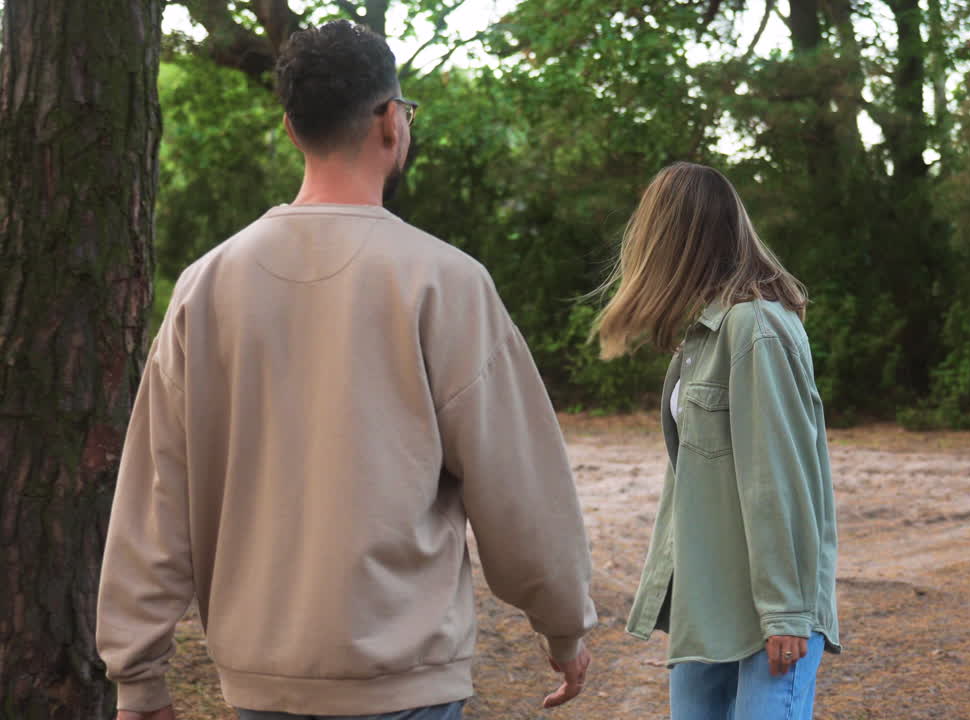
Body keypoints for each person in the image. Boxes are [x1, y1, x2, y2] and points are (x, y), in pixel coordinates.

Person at [96, 21, 595, 720]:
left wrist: (137, 673)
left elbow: (156, 490)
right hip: (405, 679)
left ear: (293, 128)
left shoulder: (206, 286)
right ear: (390, 123)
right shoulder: (444, 280)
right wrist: (564, 623)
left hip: (260, 683)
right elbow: (520, 483)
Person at [593, 162, 840, 720]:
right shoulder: (704, 335)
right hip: (710, 607)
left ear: (676, 240)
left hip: (765, 616)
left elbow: (777, 479)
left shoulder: (754, 328)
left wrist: (785, 613)